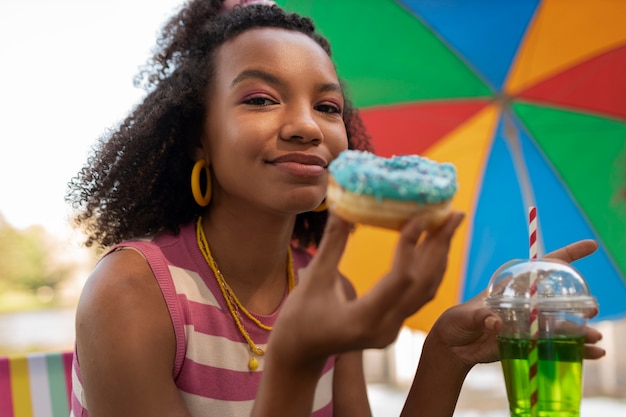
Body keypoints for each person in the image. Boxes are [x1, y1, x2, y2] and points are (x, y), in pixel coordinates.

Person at [65, 3, 605, 417]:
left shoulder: (326, 288)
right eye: (259, 98)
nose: (307, 126)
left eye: (328, 107)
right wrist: (295, 363)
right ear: (196, 140)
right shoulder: (132, 293)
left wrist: (447, 352)